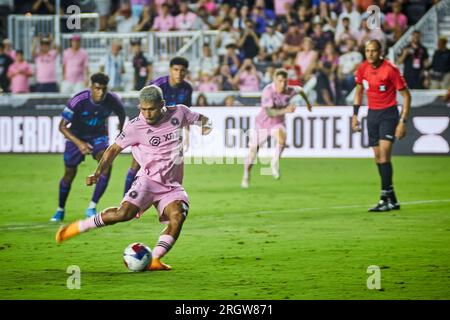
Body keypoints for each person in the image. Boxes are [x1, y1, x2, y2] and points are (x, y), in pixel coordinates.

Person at [55, 85, 212, 271]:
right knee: (123, 214)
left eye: (151, 109)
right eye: (143, 109)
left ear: (162, 104)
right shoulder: (135, 126)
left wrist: (205, 127)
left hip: (172, 186)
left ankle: (155, 259)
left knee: (177, 217)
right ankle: (79, 227)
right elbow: (113, 149)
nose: (147, 114)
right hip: (147, 181)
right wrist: (97, 172)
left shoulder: (179, 112)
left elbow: (202, 119)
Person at [50, 73, 126, 222]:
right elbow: (62, 126)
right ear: (91, 87)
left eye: (104, 89)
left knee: (107, 164)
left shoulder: (112, 99)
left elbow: (121, 112)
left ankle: (92, 207)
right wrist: (80, 144)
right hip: (76, 136)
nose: (101, 92)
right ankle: (60, 209)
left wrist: (121, 130)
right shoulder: (78, 100)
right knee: (69, 174)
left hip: (98, 136)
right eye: (97, 88)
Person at [352, 39, 411, 212]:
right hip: (372, 114)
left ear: (380, 52)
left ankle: (384, 198)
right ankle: (392, 199)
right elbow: (358, 91)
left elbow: (406, 96)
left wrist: (402, 121)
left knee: (384, 155)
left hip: (388, 114)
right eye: (367, 50)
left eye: (374, 51)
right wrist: (354, 115)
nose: (370, 54)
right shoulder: (363, 68)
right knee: (378, 158)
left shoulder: (390, 70)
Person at [124, 56, 193, 194]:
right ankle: (126, 198)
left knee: (174, 166)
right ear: (170, 70)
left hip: (169, 134)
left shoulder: (187, 89)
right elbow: (145, 107)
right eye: (176, 69)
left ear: (186, 72)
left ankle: (170, 197)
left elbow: (185, 114)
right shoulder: (157, 85)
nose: (179, 73)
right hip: (149, 129)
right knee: (136, 164)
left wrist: (186, 135)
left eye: (182, 70)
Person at [241, 68, 312, 188]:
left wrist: (308, 104)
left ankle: (274, 162)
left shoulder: (290, 90)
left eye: (285, 81)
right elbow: (269, 112)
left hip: (277, 123)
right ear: (274, 80)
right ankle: (246, 174)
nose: (283, 84)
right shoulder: (268, 91)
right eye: (280, 81)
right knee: (253, 152)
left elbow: (301, 90)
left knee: (282, 139)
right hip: (262, 124)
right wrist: (286, 110)